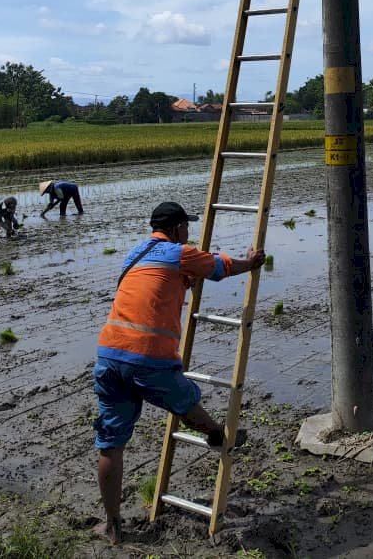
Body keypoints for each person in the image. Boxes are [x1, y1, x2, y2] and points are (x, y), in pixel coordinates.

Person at [93, 200, 265, 545]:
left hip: (110, 354)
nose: (189, 233)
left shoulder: (136, 253)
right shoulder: (178, 251)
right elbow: (220, 266)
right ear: (175, 229)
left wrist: (183, 282)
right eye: (186, 227)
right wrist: (252, 261)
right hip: (148, 355)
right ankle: (217, 433)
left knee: (110, 444)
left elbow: (153, 287)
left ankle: (112, 526)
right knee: (184, 400)